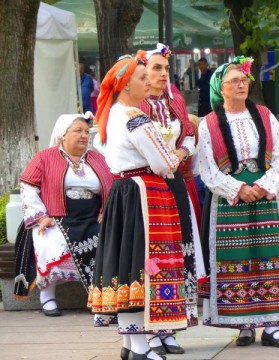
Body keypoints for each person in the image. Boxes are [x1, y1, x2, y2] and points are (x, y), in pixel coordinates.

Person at [88, 50, 198, 360]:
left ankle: (132, 345)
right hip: (144, 195)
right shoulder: (135, 117)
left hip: (125, 192)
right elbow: (164, 163)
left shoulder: (112, 115)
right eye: (140, 77)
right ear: (125, 85)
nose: (147, 81)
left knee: (130, 266)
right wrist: (170, 157)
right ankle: (138, 348)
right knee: (143, 266)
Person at [198, 56, 279, 349]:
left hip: (265, 195)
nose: (241, 84)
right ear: (221, 87)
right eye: (234, 81)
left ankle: (273, 327)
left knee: (270, 254)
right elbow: (207, 167)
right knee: (235, 260)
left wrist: (262, 185)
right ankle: (242, 324)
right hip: (229, 200)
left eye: (244, 80)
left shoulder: (265, 115)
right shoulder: (208, 124)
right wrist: (236, 188)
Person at [14, 112, 112, 317]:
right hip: (56, 217)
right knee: (51, 241)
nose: (84, 135)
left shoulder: (98, 158)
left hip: (93, 216)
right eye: (78, 131)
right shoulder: (44, 157)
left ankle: (100, 297)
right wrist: (41, 217)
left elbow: (112, 188)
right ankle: (47, 295)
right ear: (62, 135)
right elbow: (28, 188)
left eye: (86, 131)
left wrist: (107, 210)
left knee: (109, 240)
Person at [139, 43, 203, 230]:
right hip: (147, 182)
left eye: (166, 68)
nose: (164, 73)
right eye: (157, 68)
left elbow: (189, 135)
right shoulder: (135, 104)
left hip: (176, 178)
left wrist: (181, 153)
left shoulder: (175, 101)